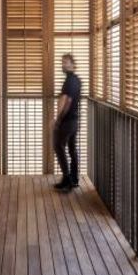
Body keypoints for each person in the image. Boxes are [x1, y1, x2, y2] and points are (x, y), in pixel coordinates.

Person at [53, 53, 81, 191]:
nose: (63, 64)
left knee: (58, 146)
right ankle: (74, 178)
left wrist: (58, 119)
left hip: (68, 120)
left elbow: (67, 101)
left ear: (72, 64)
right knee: (71, 148)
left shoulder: (69, 81)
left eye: (66, 62)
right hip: (75, 120)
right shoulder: (77, 80)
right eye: (62, 62)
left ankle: (68, 179)